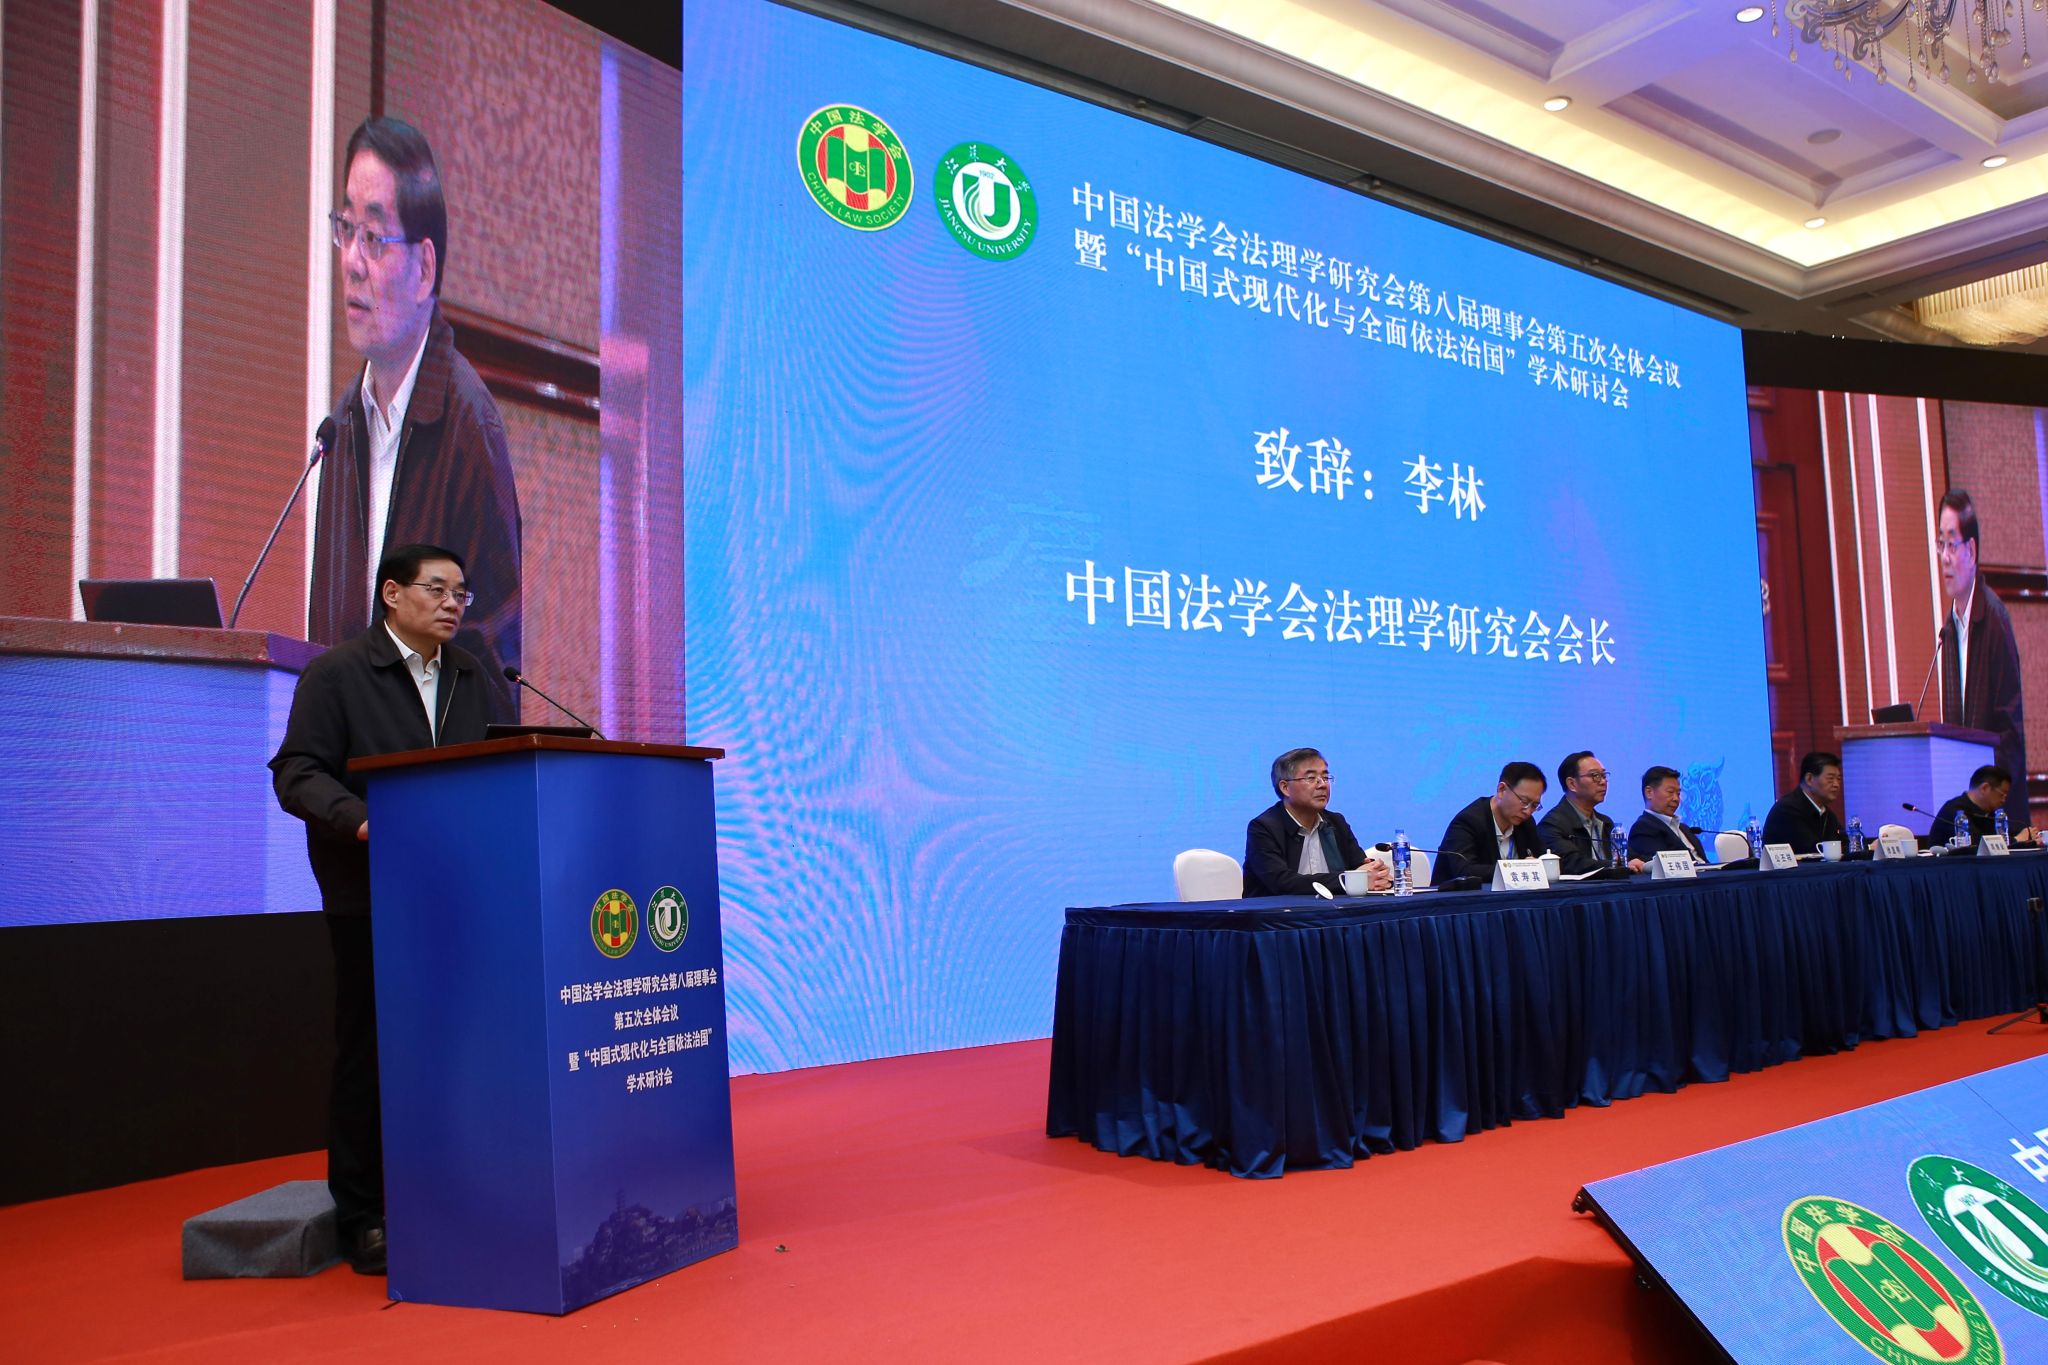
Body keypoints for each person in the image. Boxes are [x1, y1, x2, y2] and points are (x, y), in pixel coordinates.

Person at [269, 544, 493, 1275]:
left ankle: (448, 1189)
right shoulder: (338, 673)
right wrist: (362, 820)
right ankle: (365, 1213)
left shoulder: (471, 674)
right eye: (438, 589)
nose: (454, 603)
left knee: (454, 1048)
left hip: (456, 893)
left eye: (461, 592)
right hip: (370, 894)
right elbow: (297, 771)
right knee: (372, 1051)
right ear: (392, 594)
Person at [307, 116, 521, 723]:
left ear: (424, 269)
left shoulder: (469, 430)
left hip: (430, 779)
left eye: (374, 237)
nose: (352, 261)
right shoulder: (342, 428)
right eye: (346, 229)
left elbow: (490, 680)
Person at [1937, 490, 2028, 829]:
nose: (1944, 557)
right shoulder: (1949, 628)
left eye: (1952, 544)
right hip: (1967, 810)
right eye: (1940, 544)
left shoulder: (1994, 619)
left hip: (1995, 813)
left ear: (1971, 550)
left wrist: (1987, 799)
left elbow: (2009, 731)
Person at [1242, 748, 1391, 897]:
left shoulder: (1336, 822)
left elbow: (1359, 867)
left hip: (1334, 910)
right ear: (1285, 788)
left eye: (1325, 777)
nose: (1322, 785)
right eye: (1311, 778)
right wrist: (1349, 880)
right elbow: (1282, 883)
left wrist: (1376, 874)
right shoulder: (1263, 828)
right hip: (1279, 911)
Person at [1436, 761, 1547, 884]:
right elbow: (1464, 871)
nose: (1528, 811)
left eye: (1534, 805)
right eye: (1524, 801)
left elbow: (1540, 859)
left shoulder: (1526, 823)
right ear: (1501, 790)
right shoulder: (1468, 822)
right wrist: (1516, 869)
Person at [1537, 751, 1642, 873]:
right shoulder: (1551, 825)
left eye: (1604, 775)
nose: (1603, 782)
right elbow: (1572, 863)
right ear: (1572, 784)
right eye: (1595, 776)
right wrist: (1618, 865)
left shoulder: (1605, 822)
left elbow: (1629, 857)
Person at [1928, 764, 2039, 848]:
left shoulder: (1988, 813)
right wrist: (2016, 840)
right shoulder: (1955, 811)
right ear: (1984, 788)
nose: (2004, 800)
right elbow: (1976, 842)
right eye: (2002, 794)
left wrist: (2029, 835)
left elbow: (2006, 832)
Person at [1760, 751, 1845, 855]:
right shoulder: (1787, 809)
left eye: (1838, 779)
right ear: (1809, 779)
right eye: (1830, 779)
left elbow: (1844, 844)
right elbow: (1809, 848)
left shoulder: (1828, 815)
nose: (1836, 784)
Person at [1629, 765, 1709, 863]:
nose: (1676, 799)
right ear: (1649, 792)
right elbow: (1663, 867)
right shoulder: (1642, 828)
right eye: (1670, 792)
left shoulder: (1685, 828)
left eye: (1678, 793)